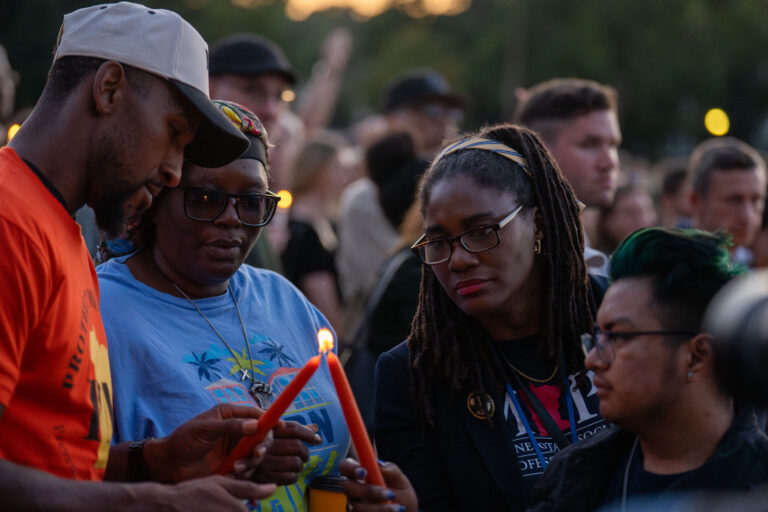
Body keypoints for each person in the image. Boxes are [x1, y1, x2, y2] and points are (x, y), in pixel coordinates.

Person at [0, 3, 284, 509]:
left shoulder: (62, 235)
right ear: (109, 88)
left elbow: (49, 451)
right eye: (174, 132)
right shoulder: (10, 223)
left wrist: (154, 462)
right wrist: (151, 502)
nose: (175, 171)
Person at [97, 100, 350, 512]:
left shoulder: (284, 299)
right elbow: (55, 470)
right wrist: (169, 461)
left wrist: (359, 493)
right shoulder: (99, 310)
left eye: (251, 202)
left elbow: (339, 460)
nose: (232, 218)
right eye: (204, 197)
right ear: (154, 199)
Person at [373, 124, 608, 511]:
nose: (460, 259)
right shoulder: (414, 375)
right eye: (438, 242)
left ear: (538, 223)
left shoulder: (617, 321)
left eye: (482, 231)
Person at [527, 228, 768, 512]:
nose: (592, 360)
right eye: (596, 338)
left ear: (697, 356)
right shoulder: (573, 477)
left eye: (617, 337)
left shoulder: (759, 484)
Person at [336, 73, 464, 340]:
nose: (443, 118)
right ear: (393, 118)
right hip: (387, 343)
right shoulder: (363, 198)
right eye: (430, 108)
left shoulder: (455, 188)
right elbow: (391, 281)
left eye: (449, 109)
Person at [514, 78, 622, 275]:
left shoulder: (586, 254)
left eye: (613, 145)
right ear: (539, 151)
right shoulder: (522, 264)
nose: (609, 162)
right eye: (589, 145)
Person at [280, 132, 348, 331]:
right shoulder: (306, 231)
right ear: (318, 170)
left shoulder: (314, 222)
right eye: (337, 168)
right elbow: (326, 310)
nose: (345, 178)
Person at [688, 137, 767, 266]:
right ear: (695, 201)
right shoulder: (669, 274)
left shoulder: (750, 263)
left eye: (756, 200)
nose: (747, 216)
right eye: (734, 200)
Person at [595, 183, 658, 255]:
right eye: (631, 213)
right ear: (607, 221)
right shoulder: (598, 262)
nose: (643, 220)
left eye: (648, 210)